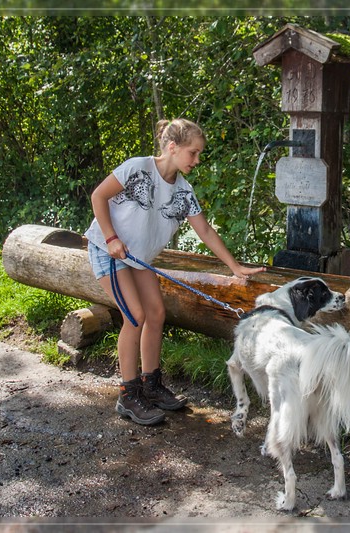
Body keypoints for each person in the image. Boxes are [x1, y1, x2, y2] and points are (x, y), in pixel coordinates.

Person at [85, 118, 266, 425]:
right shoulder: (137, 167)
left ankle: (151, 385)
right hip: (108, 250)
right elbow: (98, 196)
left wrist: (234, 267)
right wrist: (112, 238)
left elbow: (205, 231)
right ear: (172, 147)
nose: (197, 160)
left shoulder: (183, 191)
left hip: (138, 259)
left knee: (155, 313)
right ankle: (128, 397)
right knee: (135, 316)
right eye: (193, 153)